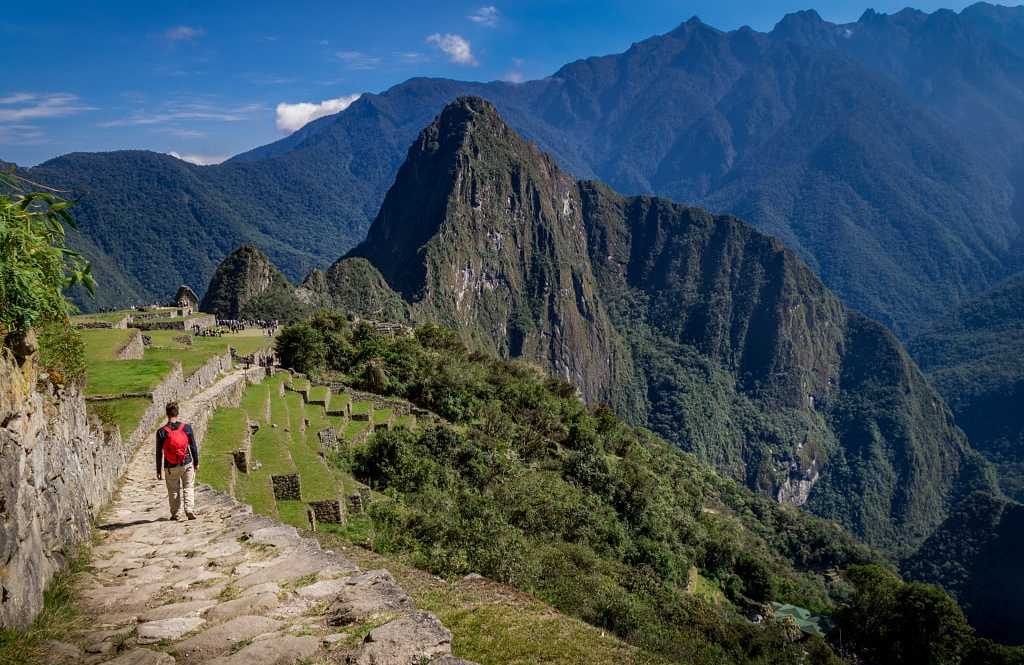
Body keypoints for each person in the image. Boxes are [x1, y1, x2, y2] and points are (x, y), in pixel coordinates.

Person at [156, 402, 199, 520]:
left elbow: (159, 452)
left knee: (173, 490)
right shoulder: (186, 428)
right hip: (187, 462)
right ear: (177, 413)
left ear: (167, 414)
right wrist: (196, 462)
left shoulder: (161, 432)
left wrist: (158, 470)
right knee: (188, 486)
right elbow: (193, 447)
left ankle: (176, 513)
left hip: (170, 466)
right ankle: (189, 509)